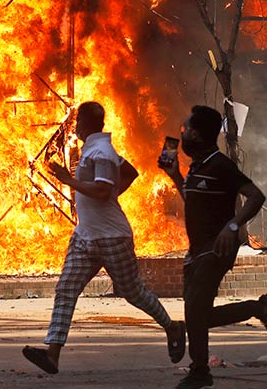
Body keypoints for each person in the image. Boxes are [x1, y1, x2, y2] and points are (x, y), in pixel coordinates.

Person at [22, 101, 186, 375]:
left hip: (112, 237)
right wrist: (112, 195)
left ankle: (172, 327)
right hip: (85, 236)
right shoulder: (95, 149)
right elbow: (130, 173)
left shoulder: (102, 152)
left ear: (84, 125)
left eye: (77, 123)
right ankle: (52, 354)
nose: (74, 128)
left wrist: (68, 180)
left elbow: (99, 191)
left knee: (133, 293)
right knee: (66, 289)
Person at [158, 105, 267, 389]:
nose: (183, 133)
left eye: (187, 129)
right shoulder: (197, 168)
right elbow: (197, 203)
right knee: (197, 315)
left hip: (217, 248)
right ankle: (261, 308)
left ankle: (200, 372)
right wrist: (176, 176)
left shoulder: (221, 165)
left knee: (195, 312)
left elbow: (255, 196)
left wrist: (233, 226)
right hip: (196, 251)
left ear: (200, 134)